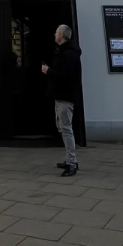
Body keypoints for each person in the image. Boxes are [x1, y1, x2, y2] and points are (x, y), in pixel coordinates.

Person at [41, 24, 81, 176]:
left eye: (57, 32)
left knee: (66, 128)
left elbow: (65, 76)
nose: (54, 34)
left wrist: (48, 71)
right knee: (62, 127)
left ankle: (72, 163)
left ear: (62, 35)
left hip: (65, 96)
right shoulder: (62, 52)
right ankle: (70, 159)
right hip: (60, 95)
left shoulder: (69, 54)